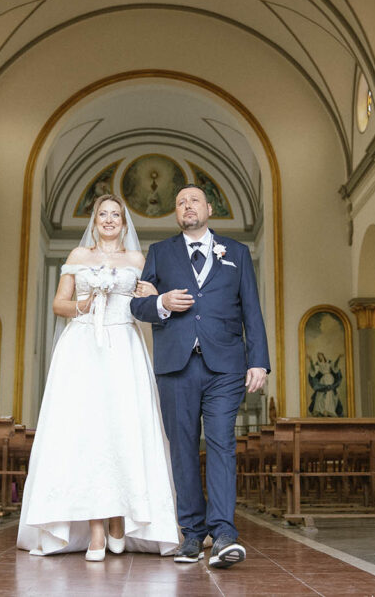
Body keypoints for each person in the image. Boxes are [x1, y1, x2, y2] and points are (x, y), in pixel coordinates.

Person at [17, 195, 179, 561]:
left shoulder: (137, 260)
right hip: (82, 348)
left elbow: (147, 303)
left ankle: (120, 518)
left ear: (124, 222)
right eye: (102, 214)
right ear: (94, 221)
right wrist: (82, 305)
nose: (108, 220)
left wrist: (153, 294)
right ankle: (95, 531)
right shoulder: (78, 256)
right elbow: (59, 303)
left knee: (124, 430)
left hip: (123, 346)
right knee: (86, 433)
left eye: (115, 215)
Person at [130, 184, 269, 568]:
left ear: (209, 209)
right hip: (176, 366)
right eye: (180, 202)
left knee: (222, 443)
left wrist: (258, 362)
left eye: (194, 201)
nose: (187, 206)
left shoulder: (236, 253)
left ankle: (223, 533)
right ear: (176, 213)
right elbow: (138, 306)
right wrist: (162, 302)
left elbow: (252, 309)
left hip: (226, 365)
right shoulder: (160, 253)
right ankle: (192, 533)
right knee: (183, 448)